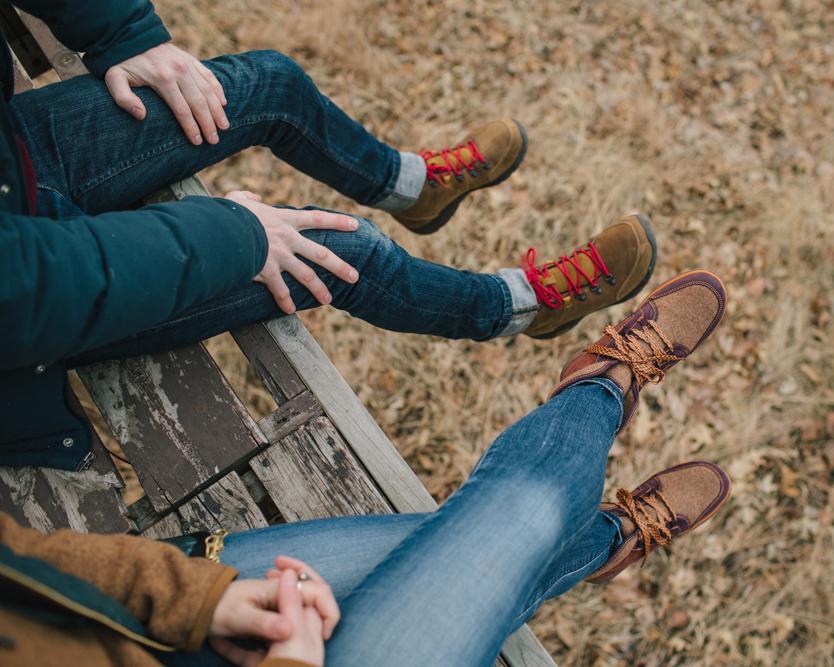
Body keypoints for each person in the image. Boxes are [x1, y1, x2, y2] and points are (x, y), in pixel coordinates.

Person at [0, 0, 657, 470]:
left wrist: (120, 27)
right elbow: (29, 288)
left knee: (273, 84)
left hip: (17, 161)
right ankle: (518, 307)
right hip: (39, 310)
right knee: (347, 249)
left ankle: (412, 187)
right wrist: (233, 233)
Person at [0, 271, 732, 667]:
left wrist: (189, 597)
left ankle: (600, 534)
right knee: (517, 522)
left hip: (161, 614)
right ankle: (602, 392)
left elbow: (18, 561)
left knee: (490, 546)